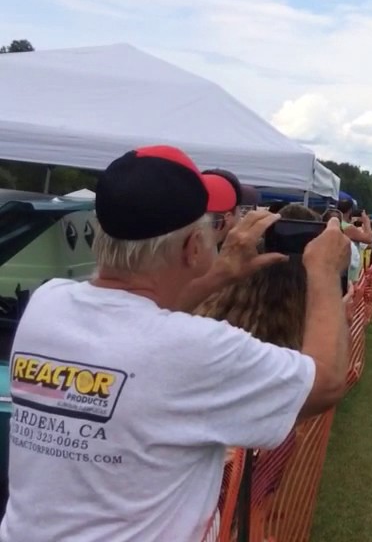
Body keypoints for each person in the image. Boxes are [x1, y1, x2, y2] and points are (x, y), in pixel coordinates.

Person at [2, 145, 352, 542]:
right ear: (192, 248)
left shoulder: (49, 305)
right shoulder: (195, 350)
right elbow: (323, 383)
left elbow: (137, 323)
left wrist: (219, 277)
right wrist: (323, 272)